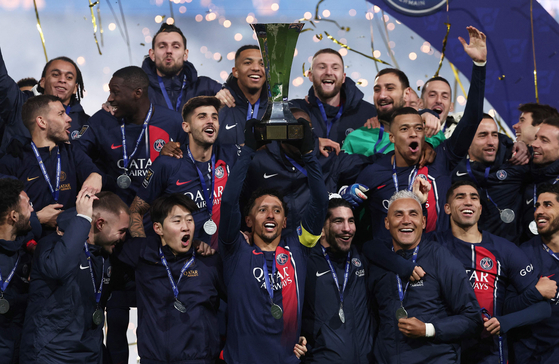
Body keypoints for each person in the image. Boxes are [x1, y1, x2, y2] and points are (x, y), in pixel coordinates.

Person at [354, 26, 487, 241]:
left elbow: (472, 119)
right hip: (391, 265)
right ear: (392, 137)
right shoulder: (373, 172)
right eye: (405, 129)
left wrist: (479, 66)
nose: (414, 134)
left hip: (438, 261)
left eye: (418, 128)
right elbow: (355, 225)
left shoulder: (442, 157)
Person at [218, 116, 328, 363]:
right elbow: (228, 201)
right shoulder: (235, 251)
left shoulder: (299, 250)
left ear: (285, 222)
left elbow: (320, 202)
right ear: (248, 220)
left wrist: (308, 153)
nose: (270, 215)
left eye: (277, 210)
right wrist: (248, 150)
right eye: (262, 209)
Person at [368, 190, 481, 363]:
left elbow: (473, 319)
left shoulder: (441, 259)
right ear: (387, 223)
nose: (406, 221)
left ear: (423, 222)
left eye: (413, 214)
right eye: (398, 215)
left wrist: (429, 329)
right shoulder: (376, 261)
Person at [20, 191, 129, 364]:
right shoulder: (51, 245)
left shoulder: (104, 255)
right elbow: (58, 268)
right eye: (121, 231)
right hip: (51, 356)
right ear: (100, 224)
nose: (123, 238)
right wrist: (83, 219)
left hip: (90, 355)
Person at [118, 193, 224, 363]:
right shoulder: (142, 255)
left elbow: (237, 304)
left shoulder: (209, 262)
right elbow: (107, 232)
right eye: (177, 221)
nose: (186, 227)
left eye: (189, 220)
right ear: (158, 228)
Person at [129, 96, 238, 250]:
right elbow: (135, 211)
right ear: (186, 127)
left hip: (221, 257)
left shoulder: (230, 155)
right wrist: (142, 252)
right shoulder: (167, 164)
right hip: (179, 260)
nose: (210, 121)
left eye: (214, 117)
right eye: (202, 116)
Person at [77, 66, 187, 205]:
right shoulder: (101, 120)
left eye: (115, 92)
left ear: (137, 93)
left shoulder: (174, 122)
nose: (109, 98)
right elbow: (76, 151)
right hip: (115, 213)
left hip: (160, 213)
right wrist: (94, 173)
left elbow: (194, 163)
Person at [0, 95, 103, 235]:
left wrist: (95, 175)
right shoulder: (13, 160)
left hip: (66, 242)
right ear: (42, 122)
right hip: (25, 248)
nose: (69, 118)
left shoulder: (71, 151)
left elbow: (92, 171)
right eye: (61, 114)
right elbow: (5, 216)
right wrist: (37, 218)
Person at [300, 198, 372, 364]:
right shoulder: (306, 262)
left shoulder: (361, 257)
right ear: (323, 228)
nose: (347, 229)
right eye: (338, 221)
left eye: (351, 221)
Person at [452, 114, 530, 243]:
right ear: (467, 140)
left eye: (494, 135)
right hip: (470, 251)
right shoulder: (452, 167)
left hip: (511, 250)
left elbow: (546, 167)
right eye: (483, 135)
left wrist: (526, 148)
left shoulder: (514, 161)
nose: (491, 142)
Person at [341, 68, 445, 157]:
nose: (382, 96)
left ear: (406, 93)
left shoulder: (430, 133)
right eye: (377, 90)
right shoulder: (355, 138)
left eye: (390, 88)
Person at [0, 48, 89, 150]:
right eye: (55, 75)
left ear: (75, 88)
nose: (62, 80)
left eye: (69, 77)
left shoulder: (87, 124)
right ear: (42, 82)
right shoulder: (19, 104)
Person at [290, 48, 377, 150]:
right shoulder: (294, 110)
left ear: (343, 77)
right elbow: (272, 136)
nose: (328, 72)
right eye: (322, 67)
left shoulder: (369, 114)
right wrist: (313, 143)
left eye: (335, 68)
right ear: (310, 75)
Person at [511, 183, 559, 363]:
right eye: (537, 205)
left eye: (548, 205)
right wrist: (535, 293)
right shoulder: (522, 254)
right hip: (535, 354)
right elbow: (507, 307)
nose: (539, 211)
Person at [0, 178, 40, 364]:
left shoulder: (28, 252)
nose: (33, 210)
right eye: (28, 205)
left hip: (21, 352)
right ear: (13, 216)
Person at [143, 23, 221, 113]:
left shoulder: (207, 88)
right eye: (162, 46)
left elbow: (237, 96)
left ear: (185, 54)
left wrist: (225, 95)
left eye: (176, 47)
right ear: (152, 54)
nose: (169, 51)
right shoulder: (140, 91)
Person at [216, 44, 267, 145]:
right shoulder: (220, 107)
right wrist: (214, 108)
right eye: (248, 63)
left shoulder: (277, 109)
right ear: (235, 72)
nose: (256, 68)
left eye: (262, 64)